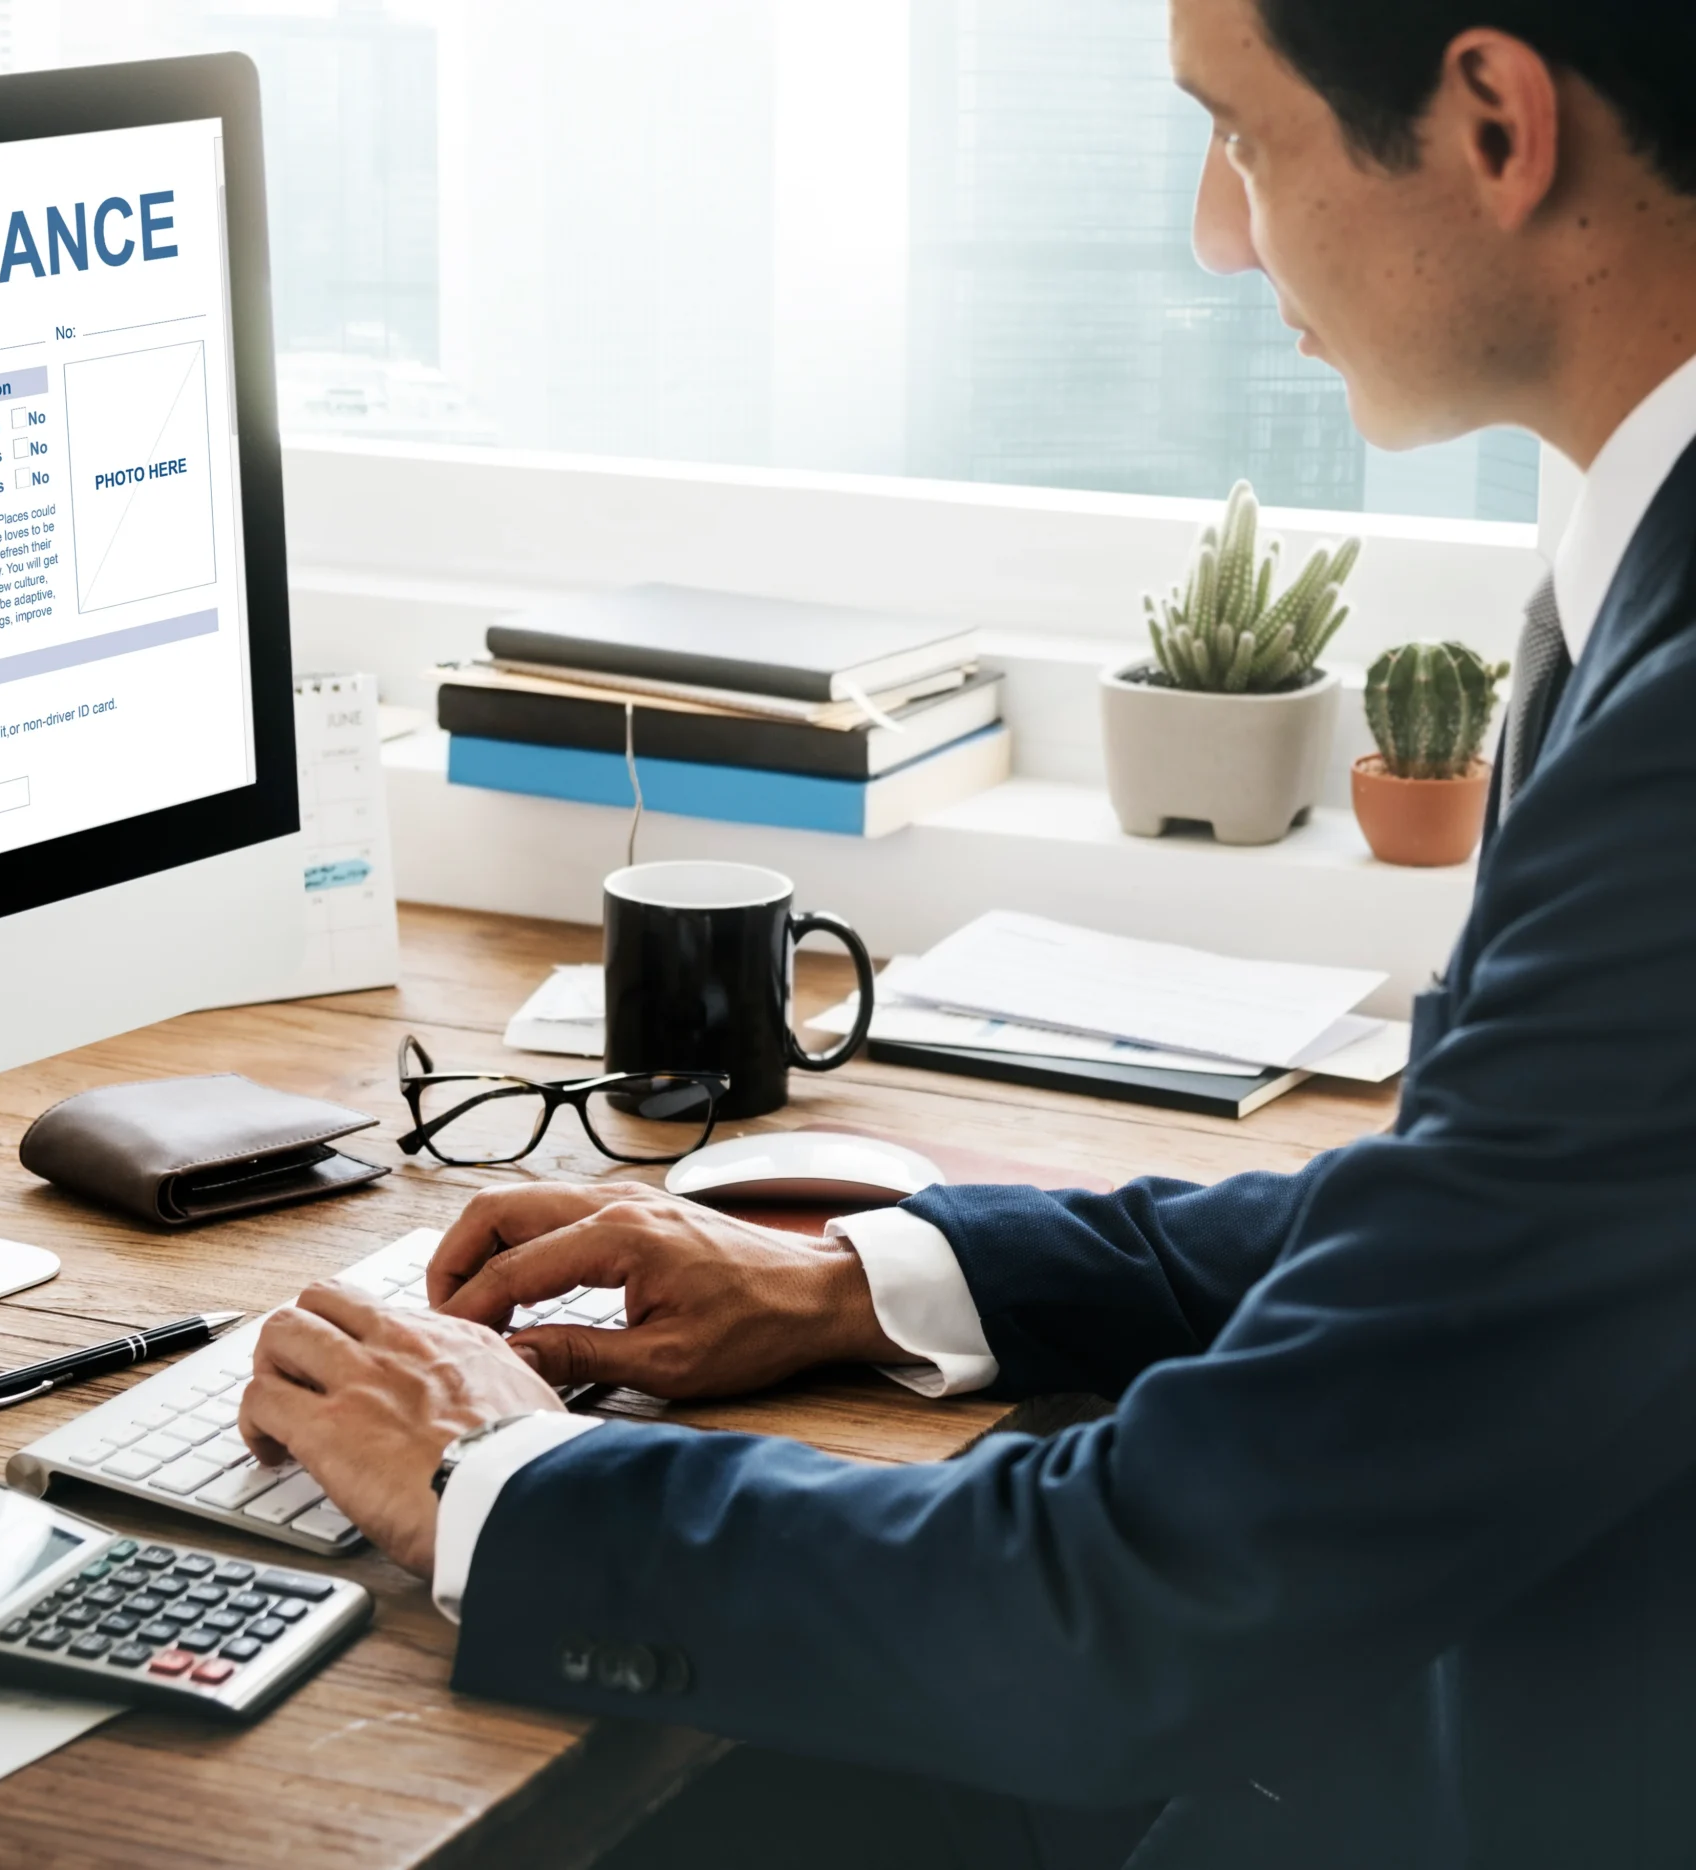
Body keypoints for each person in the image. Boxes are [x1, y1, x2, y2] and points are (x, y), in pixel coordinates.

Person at [236, 2, 1696, 1863]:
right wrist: (874, 1279)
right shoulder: (1638, 560)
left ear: (1494, 123)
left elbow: (1147, 1602)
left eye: (1238, 134)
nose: (1215, 232)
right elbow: (1487, 1215)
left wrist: (498, 1476)